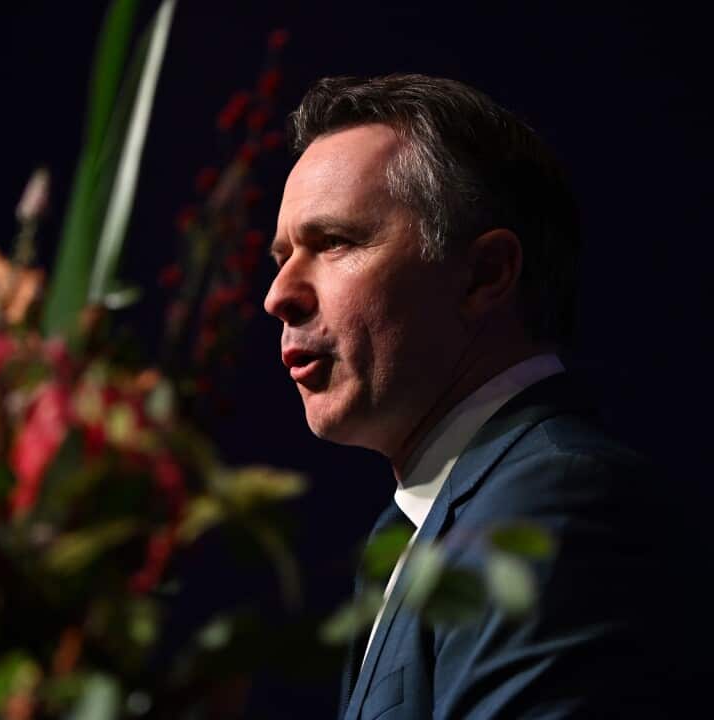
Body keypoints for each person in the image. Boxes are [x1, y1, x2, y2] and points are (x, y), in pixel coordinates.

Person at [264, 74, 677, 718]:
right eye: (283, 255)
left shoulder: (551, 501)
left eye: (335, 242)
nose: (279, 295)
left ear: (484, 274)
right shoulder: (413, 529)